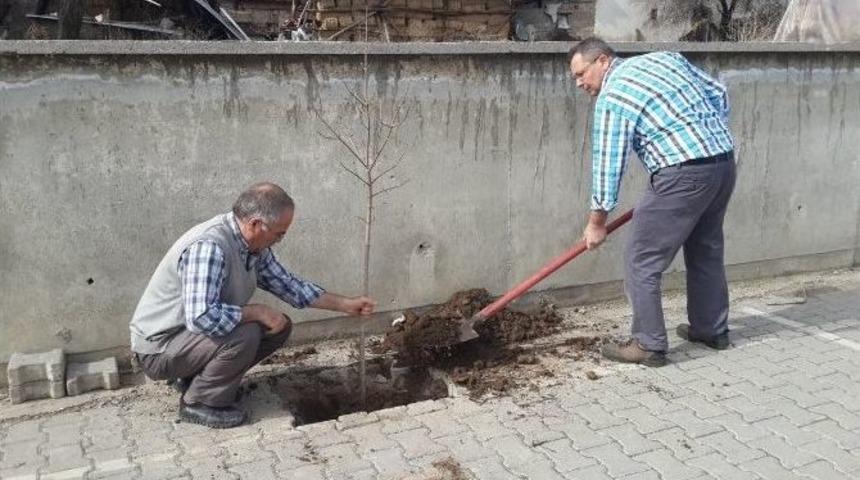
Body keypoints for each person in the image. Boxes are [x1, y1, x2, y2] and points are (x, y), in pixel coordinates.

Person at [129, 182, 375, 427]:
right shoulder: (210, 247)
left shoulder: (252, 247)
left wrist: (345, 304)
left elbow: (289, 285)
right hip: (159, 349)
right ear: (256, 224)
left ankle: (197, 379)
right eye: (280, 233)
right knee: (246, 332)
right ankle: (199, 402)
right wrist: (255, 311)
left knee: (278, 325)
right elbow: (201, 316)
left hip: (186, 341)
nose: (280, 239)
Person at [569, 38, 736, 367]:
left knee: (641, 259)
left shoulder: (613, 96)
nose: (579, 83)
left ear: (602, 60)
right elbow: (718, 92)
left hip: (682, 173)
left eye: (580, 74)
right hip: (722, 163)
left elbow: (608, 165)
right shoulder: (664, 59)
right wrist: (704, 137)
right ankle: (711, 329)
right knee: (706, 247)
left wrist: (596, 223)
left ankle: (648, 344)